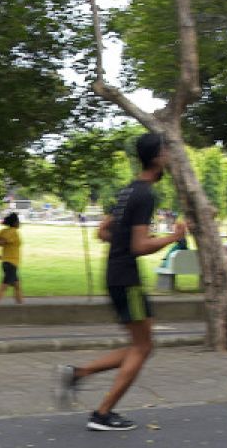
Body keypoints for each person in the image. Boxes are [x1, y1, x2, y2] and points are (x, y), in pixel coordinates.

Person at [55, 132, 186, 431]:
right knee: (143, 347)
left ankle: (78, 374)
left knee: (142, 345)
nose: (169, 157)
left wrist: (127, 239)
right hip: (127, 279)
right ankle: (102, 414)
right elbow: (140, 247)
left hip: (116, 274)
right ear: (156, 157)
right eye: (166, 152)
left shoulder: (127, 191)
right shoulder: (146, 195)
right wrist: (173, 237)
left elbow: (103, 231)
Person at [0, 212, 23, 304]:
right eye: (18, 221)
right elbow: (4, 241)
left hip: (6, 263)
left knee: (17, 286)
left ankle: (20, 307)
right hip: (11, 264)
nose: (19, 223)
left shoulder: (4, 231)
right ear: (15, 223)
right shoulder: (13, 232)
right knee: (3, 287)